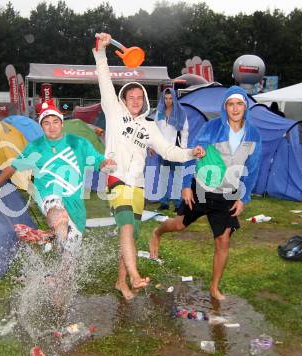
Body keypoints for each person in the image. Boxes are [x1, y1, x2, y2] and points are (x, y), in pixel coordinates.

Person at [93, 33, 205, 300]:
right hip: (117, 179)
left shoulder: (150, 126)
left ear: (144, 101)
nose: (134, 100)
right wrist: (101, 52)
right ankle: (133, 276)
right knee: (126, 229)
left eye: (138, 97)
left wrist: (191, 152)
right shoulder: (114, 112)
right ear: (122, 100)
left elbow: (168, 150)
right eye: (129, 96)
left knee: (128, 234)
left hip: (138, 186)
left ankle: (121, 281)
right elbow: (104, 79)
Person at [149, 86, 262, 300]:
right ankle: (157, 232)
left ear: (245, 106)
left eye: (239, 104)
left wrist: (243, 198)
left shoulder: (254, 135)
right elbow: (194, 154)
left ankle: (214, 287)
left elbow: (253, 169)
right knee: (179, 225)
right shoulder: (212, 128)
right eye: (231, 104)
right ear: (225, 107)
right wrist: (184, 184)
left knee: (223, 240)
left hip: (228, 193)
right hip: (200, 188)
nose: (235, 108)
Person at [0, 101, 116, 255]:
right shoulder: (36, 147)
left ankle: (51, 245)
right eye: (46, 123)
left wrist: (107, 163)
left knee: (70, 255)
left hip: (75, 201)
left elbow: (98, 161)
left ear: (61, 123)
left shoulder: (78, 143)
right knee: (58, 215)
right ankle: (54, 235)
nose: (52, 126)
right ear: (41, 126)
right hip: (49, 194)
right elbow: (13, 167)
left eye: (55, 122)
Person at [150, 88, 189, 212]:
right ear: (163, 99)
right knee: (164, 176)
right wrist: (152, 146)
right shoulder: (159, 112)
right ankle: (164, 202)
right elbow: (154, 130)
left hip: (176, 149)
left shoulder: (180, 112)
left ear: (174, 98)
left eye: (170, 98)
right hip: (162, 150)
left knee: (177, 176)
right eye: (166, 98)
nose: (168, 101)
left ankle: (178, 204)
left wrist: (183, 149)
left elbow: (185, 131)